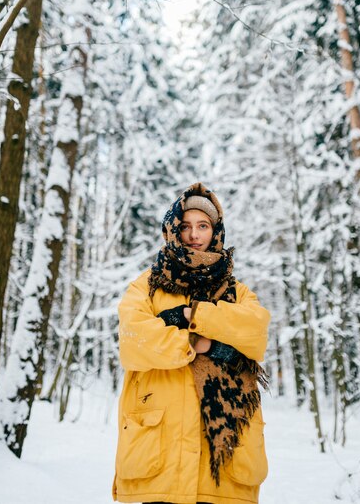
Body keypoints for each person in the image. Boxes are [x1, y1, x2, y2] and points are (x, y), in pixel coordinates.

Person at [113, 182, 271, 504]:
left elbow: (255, 334)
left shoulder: (236, 290)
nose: (194, 235)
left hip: (223, 463)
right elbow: (134, 340)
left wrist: (191, 314)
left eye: (203, 226)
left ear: (216, 232)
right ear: (172, 229)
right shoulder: (148, 286)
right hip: (161, 456)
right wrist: (194, 343)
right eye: (185, 226)